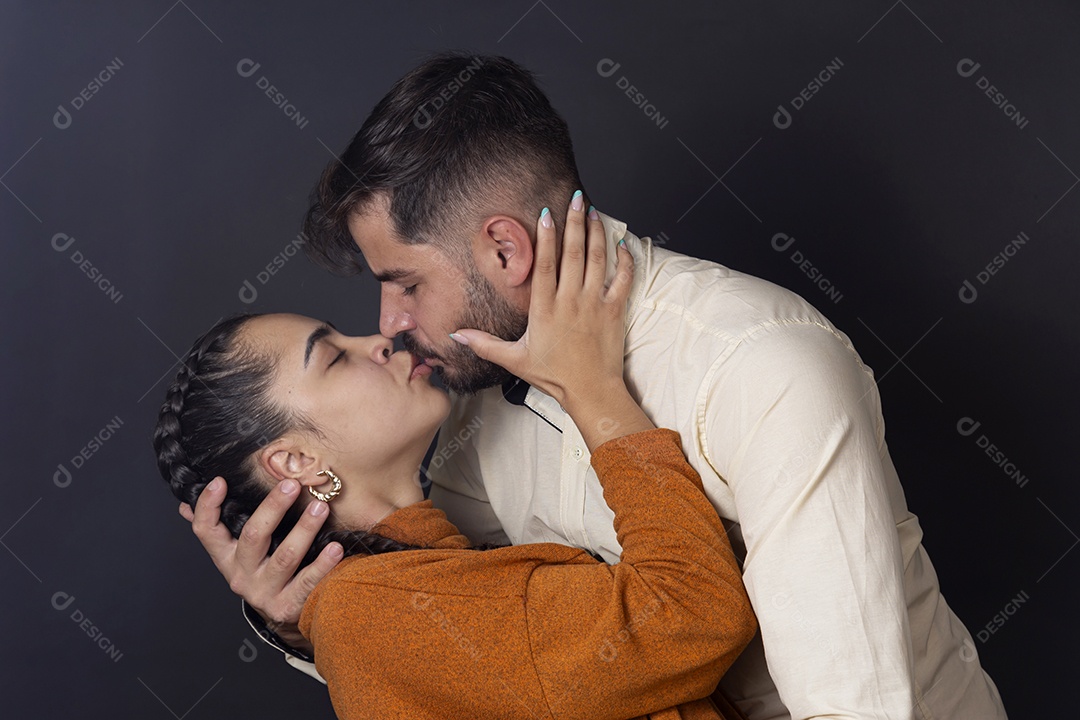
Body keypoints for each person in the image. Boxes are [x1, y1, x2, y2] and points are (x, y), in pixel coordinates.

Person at [189, 53, 1008, 719]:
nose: (390, 322)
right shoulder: (468, 398)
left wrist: (601, 401)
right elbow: (461, 644)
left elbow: (853, 706)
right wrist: (295, 616)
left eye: (403, 282)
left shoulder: (761, 365)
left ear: (505, 252)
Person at [156, 201, 758, 719]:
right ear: (295, 461)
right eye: (334, 357)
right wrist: (593, 389)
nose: (381, 338)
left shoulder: (404, 579)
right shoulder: (372, 611)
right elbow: (691, 613)